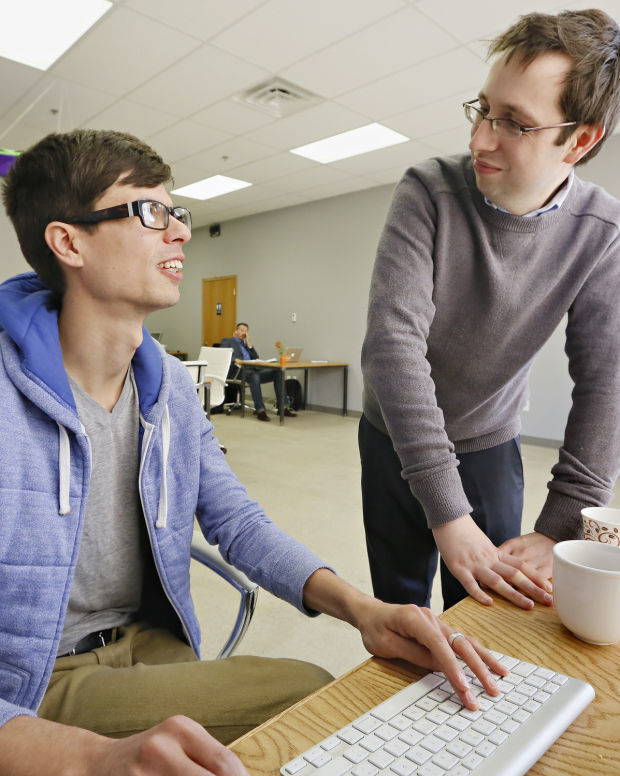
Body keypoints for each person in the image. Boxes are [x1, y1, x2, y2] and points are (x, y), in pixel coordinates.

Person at [0, 129, 506, 776]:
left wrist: (364, 609)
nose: (180, 232)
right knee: (307, 691)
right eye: (150, 213)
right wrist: (91, 758)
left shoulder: (166, 393)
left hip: (152, 647)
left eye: (177, 212)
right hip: (37, 682)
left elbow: (238, 523)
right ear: (69, 241)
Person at [360, 8, 620, 615]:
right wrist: (447, 514)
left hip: (489, 438)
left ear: (579, 141)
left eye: (514, 124)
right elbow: (392, 345)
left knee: (494, 607)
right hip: (393, 431)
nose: (480, 139)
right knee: (401, 607)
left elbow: (606, 379)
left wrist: (561, 525)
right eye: (483, 110)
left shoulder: (601, 232)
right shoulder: (428, 190)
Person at [221, 322, 293, 421]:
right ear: (236, 331)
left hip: (252, 370)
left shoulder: (246, 345)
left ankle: (283, 408)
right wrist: (235, 359)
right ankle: (260, 410)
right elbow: (223, 354)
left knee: (278, 372)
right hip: (238, 372)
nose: (244, 333)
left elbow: (256, 358)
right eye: (242, 330)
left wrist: (249, 345)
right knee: (255, 376)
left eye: (246, 331)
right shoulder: (228, 341)